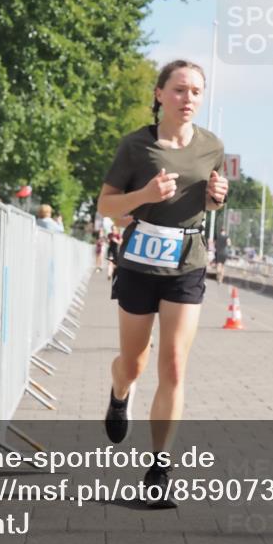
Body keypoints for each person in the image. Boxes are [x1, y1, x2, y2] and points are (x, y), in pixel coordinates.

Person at [97, 59, 227, 507]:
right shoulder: (136, 146)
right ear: (159, 95)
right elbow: (106, 206)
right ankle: (119, 393)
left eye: (195, 91)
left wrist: (214, 201)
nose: (187, 99)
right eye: (178, 90)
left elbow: (205, 204)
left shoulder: (212, 146)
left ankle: (159, 469)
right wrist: (145, 196)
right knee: (134, 363)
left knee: (172, 363)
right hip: (138, 260)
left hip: (187, 260)